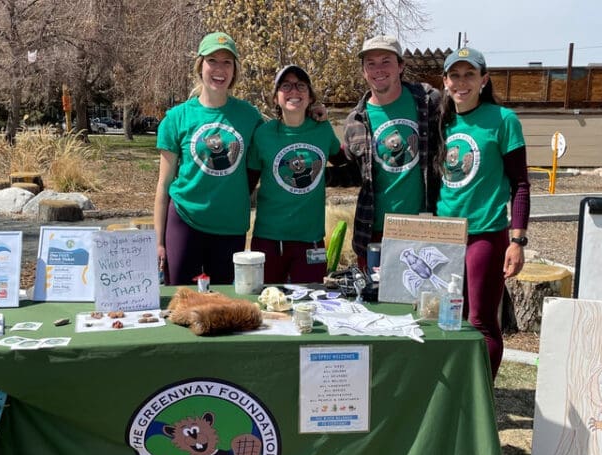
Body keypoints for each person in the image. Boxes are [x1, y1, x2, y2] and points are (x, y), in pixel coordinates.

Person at [435, 47, 531, 379]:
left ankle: (483, 397)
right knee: (445, 318)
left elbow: (521, 184)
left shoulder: (504, 120)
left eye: (470, 74)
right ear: (445, 81)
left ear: (483, 79)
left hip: (485, 234)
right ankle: (454, 394)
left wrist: (517, 240)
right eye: (455, 75)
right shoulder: (441, 121)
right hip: (445, 234)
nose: (462, 82)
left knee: (480, 321)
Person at [153, 32, 264, 285]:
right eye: (212, 60)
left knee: (225, 304)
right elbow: (164, 184)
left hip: (230, 226)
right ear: (200, 66)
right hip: (185, 219)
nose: (219, 69)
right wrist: (158, 241)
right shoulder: (177, 117)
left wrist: (312, 110)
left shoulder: (249, 116)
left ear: (235, 70)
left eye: (227, 62)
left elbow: (278, 137)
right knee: (181, 299)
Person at [342, 35, 443, 268]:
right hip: (373, 231)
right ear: (364, 71)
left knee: (422, 301)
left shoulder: (429, 103)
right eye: (371, 63)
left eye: (386, 61)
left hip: (422, 227)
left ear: (401, 66)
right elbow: (354, 172)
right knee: (372, 302)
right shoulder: (355, 121)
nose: (378, 69)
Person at [247, 65, 346, 283]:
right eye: (286, 86)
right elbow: (248, 184)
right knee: (267, 303)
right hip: (269, 240)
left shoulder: (322, 129)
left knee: (312, 305)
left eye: (301, 86)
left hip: (310, 241)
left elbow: (342, 159)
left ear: (310, 97)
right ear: (276, 98)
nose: (294, 91)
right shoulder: (263, 134)